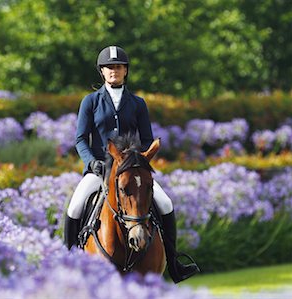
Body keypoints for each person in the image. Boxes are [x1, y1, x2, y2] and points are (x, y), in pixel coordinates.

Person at [64, 45, 200, 283]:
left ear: (125, 71)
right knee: (75, 206)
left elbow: (147, 139)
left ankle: (174, 263)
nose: (114, 71)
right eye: (109, 67)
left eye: (118, 67)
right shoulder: (91, 101)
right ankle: (66, 265)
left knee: (165, 203)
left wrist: (140, 160)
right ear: (102, 72)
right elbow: (80, 139)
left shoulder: (137, 103)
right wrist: (92, 162)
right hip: (100, 170)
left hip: (132, 170)